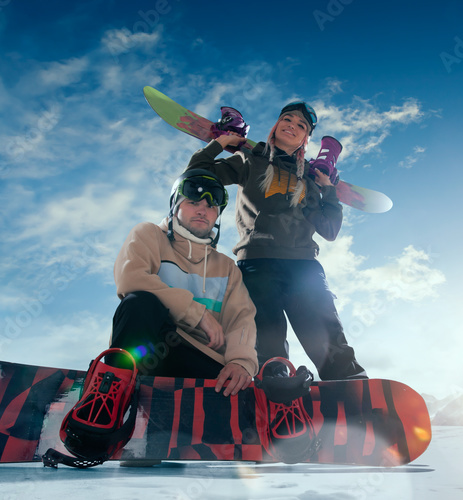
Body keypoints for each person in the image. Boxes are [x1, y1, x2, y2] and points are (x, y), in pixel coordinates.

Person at [186, 101, 368, 380]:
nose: (292, 126)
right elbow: (197, 175)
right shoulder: (250, 161)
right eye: (287, 119)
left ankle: (352, 390)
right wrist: (221, 142)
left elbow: (330, 230)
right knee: (266, 345)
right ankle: (272, 394)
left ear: (306, 138)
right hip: (257, 265)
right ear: (276, 125)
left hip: (304, 267)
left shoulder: (309, 177)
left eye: (301, 125)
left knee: (327, 338)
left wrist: (328, 189)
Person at [109, 168, 258, 396]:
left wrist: (241, 362)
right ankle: (111, 395)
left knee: (238, 383)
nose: (202, 210)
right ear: (175, 207)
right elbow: (131, 278)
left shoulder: (227, 267)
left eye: (211, 206)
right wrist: (197, 314)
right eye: (193, 202)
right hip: (148, 351)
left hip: (202, 360)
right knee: (139, 302)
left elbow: (241, 318)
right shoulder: (149, 235)